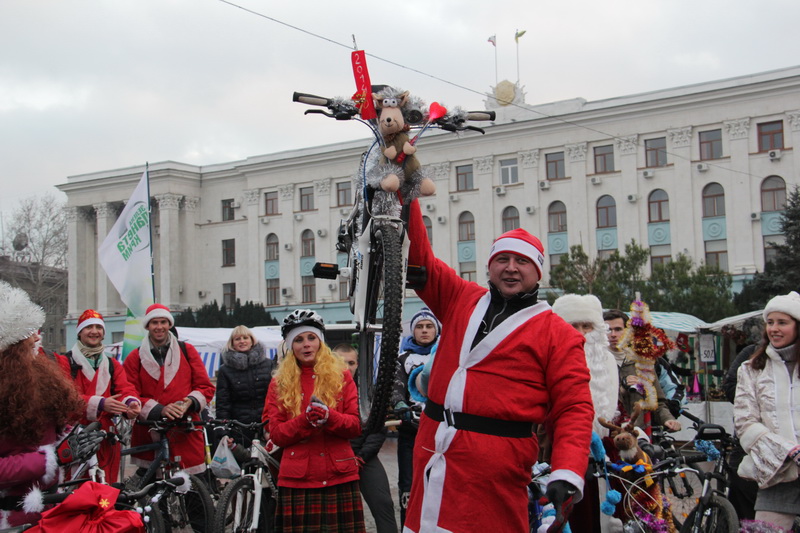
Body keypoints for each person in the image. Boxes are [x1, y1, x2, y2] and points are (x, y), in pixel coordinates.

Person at [403, 199, 594, 533]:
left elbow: (573, 407)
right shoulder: (461, 297)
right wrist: (406, 196)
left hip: (495, 468)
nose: (511, 268)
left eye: (522, 261)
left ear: (538, 271)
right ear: (490, 267)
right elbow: (420, 259)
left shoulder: (559, 334)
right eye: (502, 259)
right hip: (433, 448)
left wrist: (566, 471)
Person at [264, 310, 365, 532]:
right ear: (290, 346)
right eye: (298, 340)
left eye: (311, 337)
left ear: (321, 341)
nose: (306, 344)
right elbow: (277, 434)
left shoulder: (342, 375)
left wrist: (329, 416)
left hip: (339, 475)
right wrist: (305, 421)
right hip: (298, 480)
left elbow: (356, 426)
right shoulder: (279, 383)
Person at [0, 281, 85, 527]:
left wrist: (71, 439)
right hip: (12, 519)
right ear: (12, 345)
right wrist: (48, 459)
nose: (38, 336)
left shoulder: (35, 377)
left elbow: (46, 431)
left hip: (48, 511)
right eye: (29, 332)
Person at [552, 293, 620, 533]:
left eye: (587, 326)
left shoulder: (608, 360)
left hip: (602, 457)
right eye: (573, 326)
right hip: (560, 456)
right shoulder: (551, 358)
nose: (581, 333)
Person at [122, 303, 215, 477]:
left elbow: (205, 387)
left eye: (163, 322)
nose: (159, 327)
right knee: (152, 487)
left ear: (169, 324)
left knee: (192, 487)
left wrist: (189, 402)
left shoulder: (188, 351)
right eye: (154, 322)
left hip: (185, 431)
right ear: (147, 326)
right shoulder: (134, 358)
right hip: (150, 431)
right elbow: (128, 393)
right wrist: (159, 409)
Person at [734, 291, 800, 531]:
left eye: (782, 322)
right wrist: (788, 451)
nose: (774, 329)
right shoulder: (751, 368)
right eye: (770, 322)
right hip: (777, 474)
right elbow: (745, 422)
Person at [62, 309, 141, 483]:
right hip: (74, 435)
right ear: (79, 332)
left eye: (98, 327)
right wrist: (100, 403)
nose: (94, 331)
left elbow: (125, 388)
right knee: (76, 487)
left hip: (105, 437)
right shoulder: (65, 362)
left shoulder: (112, 364)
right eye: (89, 327)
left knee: (106, 486)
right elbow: (65, 397)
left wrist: (130, 403)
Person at [336, 343, 398, 533]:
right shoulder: (323, 388)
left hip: (364, 456)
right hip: (335, 456)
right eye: (341, 363)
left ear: (358, 364)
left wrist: (362, 457)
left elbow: (379, 429)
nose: (347, 367)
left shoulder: (370, 391)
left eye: (351, 363)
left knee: (383, 503)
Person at [390, 307, 440, 527]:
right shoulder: (402, 358)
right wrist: (399, 403)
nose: (424, 330)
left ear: (436, 330)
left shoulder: (445, 353)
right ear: (413, 331)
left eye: (429, 326)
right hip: (410, 431)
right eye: (419, 327)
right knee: (408, 488)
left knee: (439, 487)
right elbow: (396, 385)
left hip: (440, 432)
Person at [603, 309, 681, 435]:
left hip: (637, 435)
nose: (613, 334)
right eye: (608, 330)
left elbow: (657, 402)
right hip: (605, 434)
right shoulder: (595, 362)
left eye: (618, 329)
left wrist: (668, 419)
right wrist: (620, 389)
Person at [215, 325, 275, 447]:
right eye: (237, 339)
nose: (242, 341)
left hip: (267, 425)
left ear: (252, 341)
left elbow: (277, 397)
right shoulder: (225, 370)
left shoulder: (268, 364)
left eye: (245, 338)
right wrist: (224, 431)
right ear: (232, 343)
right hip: (239, 428)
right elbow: (223, 404)